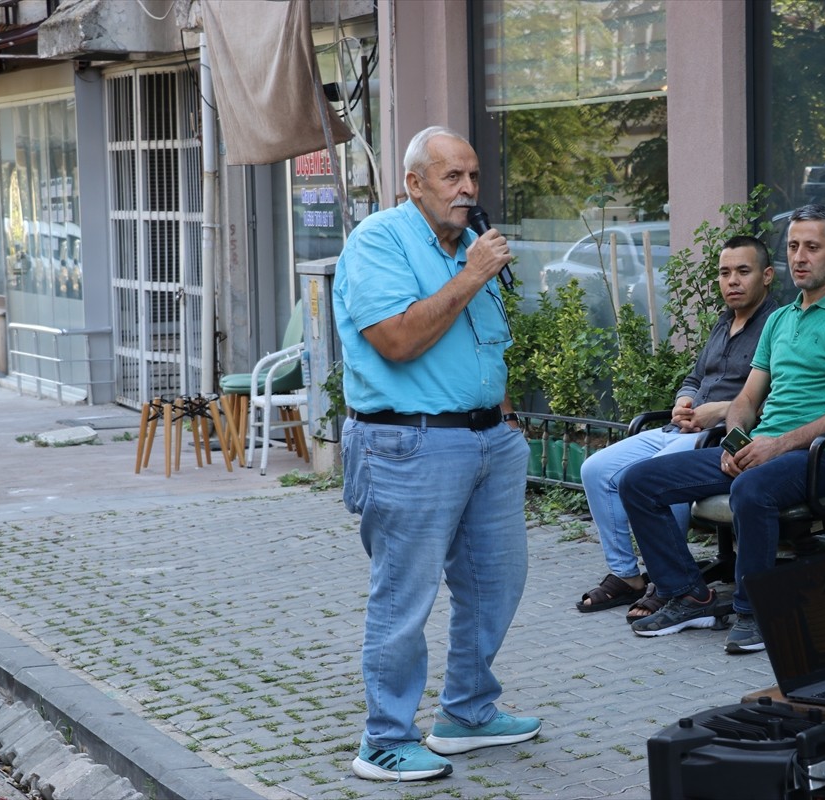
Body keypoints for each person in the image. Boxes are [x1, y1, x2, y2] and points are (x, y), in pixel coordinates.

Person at [332, 125, 540, 783]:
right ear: (413, 183)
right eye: (452, 177)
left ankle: (469, 714)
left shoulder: (466, 247)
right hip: (408, 443)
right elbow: (396, 340)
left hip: (487, 443)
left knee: (495, 582)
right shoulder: (378, 242)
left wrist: (505, 420)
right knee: (404, 596)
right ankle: (385, 740)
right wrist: (473, 276)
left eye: (474, 176)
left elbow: (487, 345)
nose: (469, 189)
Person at [617, 204, 825, 652]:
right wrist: (735, 439)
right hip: (767, 449)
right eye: (793, 247)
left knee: (752, 489)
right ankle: (689, 593)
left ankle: (755, 612)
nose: (800, 257)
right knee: (639, 481)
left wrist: (778, 445)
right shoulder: (780, 320)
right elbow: (747, 399)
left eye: (812, 247)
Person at [576, 236, 779, 614]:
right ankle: (626, 576)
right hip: (684, 428)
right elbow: (695, 377)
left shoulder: (777, 325)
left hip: (719, 435)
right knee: (596, 468)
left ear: (766, 276)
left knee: (655, 475)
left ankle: (668, 580)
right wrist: (684, 401)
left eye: (743, 271)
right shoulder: (723, 324)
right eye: (724, 272)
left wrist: (715, 412)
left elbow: (773, 399)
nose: (732, 280)